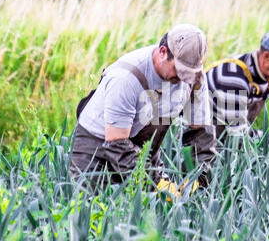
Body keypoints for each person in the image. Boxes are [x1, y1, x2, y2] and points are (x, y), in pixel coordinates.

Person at [70, 23, 216, 193]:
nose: (184, 79)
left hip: (143, 152)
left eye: (189, 72)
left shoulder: (194, 77)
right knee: (91, 210)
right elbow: (116, 143)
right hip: (97, 149)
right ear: (162, 52)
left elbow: (200, 132)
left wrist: (197, 178)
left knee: (149, 214)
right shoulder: (126, 78)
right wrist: (156, 184)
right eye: (180, 70)